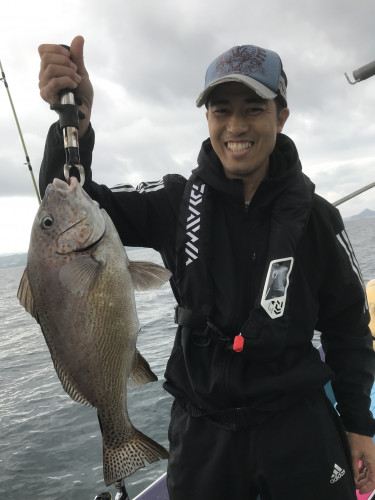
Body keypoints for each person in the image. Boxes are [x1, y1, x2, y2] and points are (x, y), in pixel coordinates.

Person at [38, 37, 375, 499]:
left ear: (282, 115)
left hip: (297, 422)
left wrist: (359, 424)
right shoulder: (176, 201)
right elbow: (73, 205)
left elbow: (348, 331)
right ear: (207, 118)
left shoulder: (317, 218)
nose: (236, 125)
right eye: (221, 109)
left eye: (254, 108)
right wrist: (74, 122)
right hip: (203, 431)